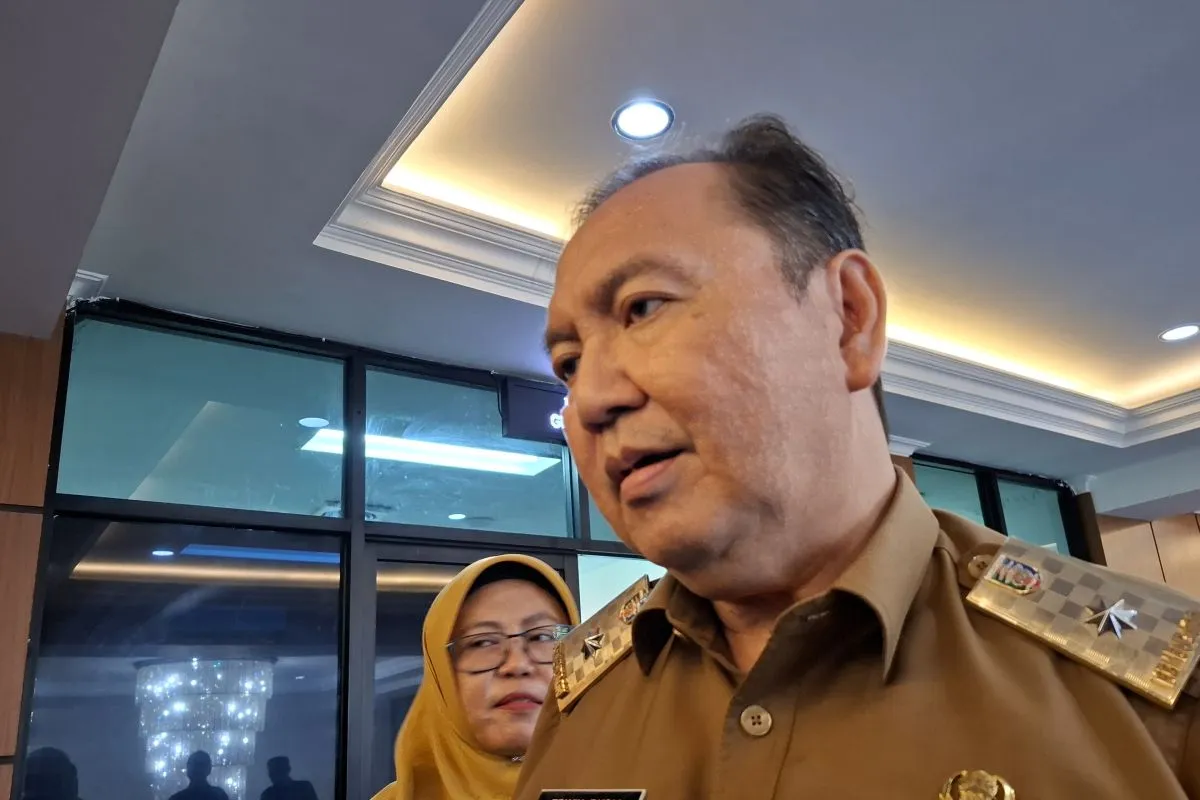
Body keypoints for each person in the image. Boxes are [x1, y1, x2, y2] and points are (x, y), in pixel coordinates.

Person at [517, 115, 1200, 799]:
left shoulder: (1154, 683)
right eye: (569, 363)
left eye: (642, 308)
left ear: (848, 317)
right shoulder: (580, 698)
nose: (590, 399)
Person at [372, 554, 579, 800]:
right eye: (482, 642)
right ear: (442, 679)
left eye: (542, 637)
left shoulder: (617, 781)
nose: (517, 665)